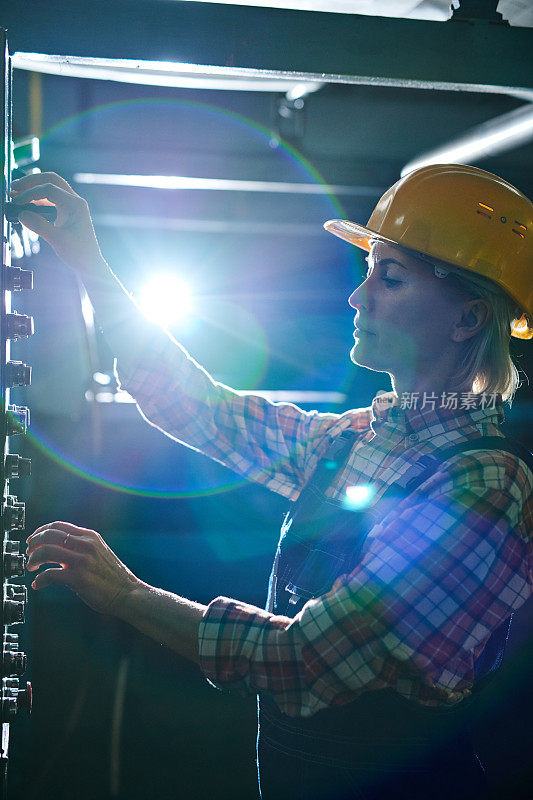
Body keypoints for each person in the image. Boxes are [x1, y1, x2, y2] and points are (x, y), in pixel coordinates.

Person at [13, 164, 532, 800]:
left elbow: (306, 661)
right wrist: (88, 258)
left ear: (469, 318)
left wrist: (127, 597)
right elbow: (202, 409)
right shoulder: (359, 439)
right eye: (369, 273)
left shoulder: (486, 486)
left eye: (390, 279)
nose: (358, 297)